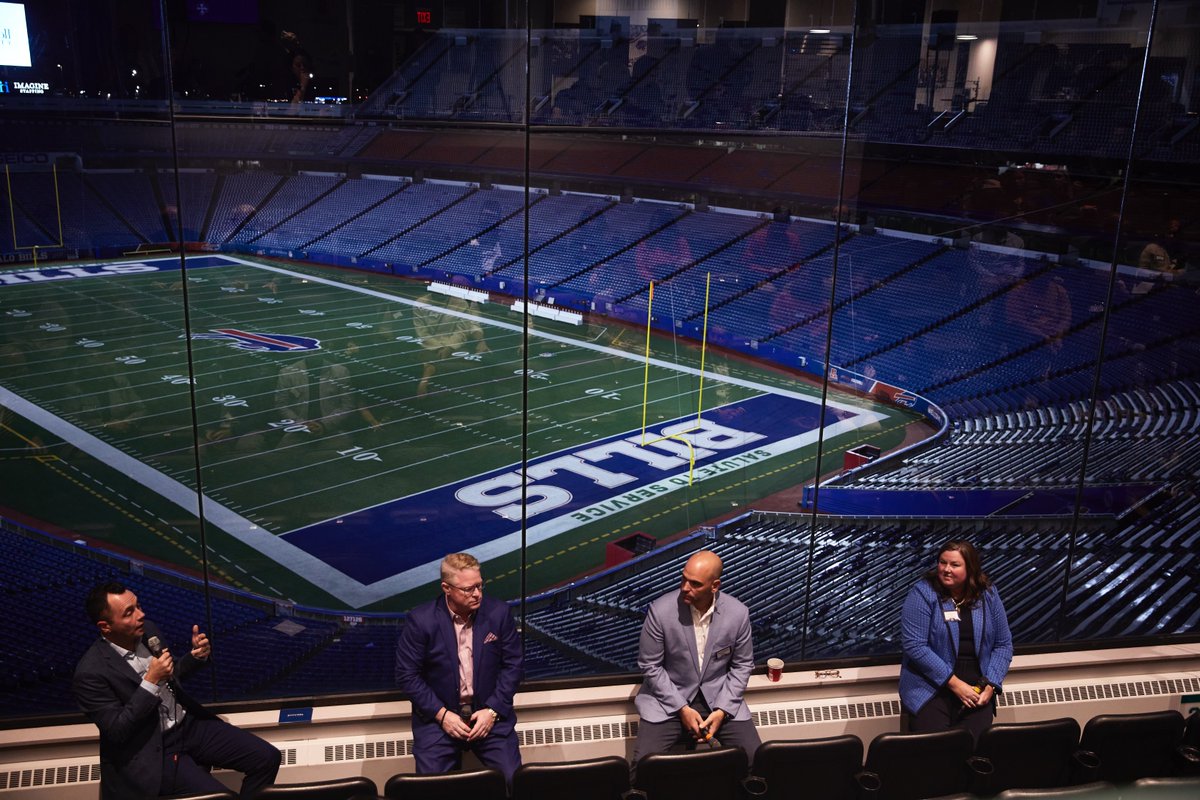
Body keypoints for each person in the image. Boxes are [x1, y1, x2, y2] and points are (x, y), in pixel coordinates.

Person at [72, 582, 280, 799]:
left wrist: (196, 657)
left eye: (139, 606)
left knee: (267, 757)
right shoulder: (90, 672)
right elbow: (118, 730)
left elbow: (171, 675)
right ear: (105, 626)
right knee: (222, 796)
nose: (141, 615)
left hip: (187, 726)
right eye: (129, 613)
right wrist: (151, 681)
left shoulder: (148, 631)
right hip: (153, 749)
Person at [394, 553, 523, 783]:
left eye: (480, 585)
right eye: (468, 589)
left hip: (489, 717)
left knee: (514, 780)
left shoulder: (499, 613)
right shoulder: (421, 620)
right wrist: (442, 715)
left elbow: (513, 666)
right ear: (446, 588)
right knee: (431, 788)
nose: (477, 594)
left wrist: (492, 711)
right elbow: (407, 676)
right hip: (439, 722)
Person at [631, 550, 760, 778]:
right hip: (668, 699)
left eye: (695, 583)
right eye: (683, 578)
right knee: (642, 769)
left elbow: (742, 666)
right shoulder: (660, 611)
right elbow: (650, 665)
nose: (684, 588)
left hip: (720, 700)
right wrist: (681, 708)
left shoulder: (738, 614)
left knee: (758, 762)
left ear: (715, 586)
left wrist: (722, 711)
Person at [899, 540, 1013, 741]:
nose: (946, 569)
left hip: (977, 689)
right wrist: (956, 685)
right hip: (931, 689)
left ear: (970, 568)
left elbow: (1003, 644)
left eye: (954, 565)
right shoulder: (923, 593)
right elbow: (914, 646)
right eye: (942, 563)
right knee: (937, 756)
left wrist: (991, 684)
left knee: (973, 754)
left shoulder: (988, 594)